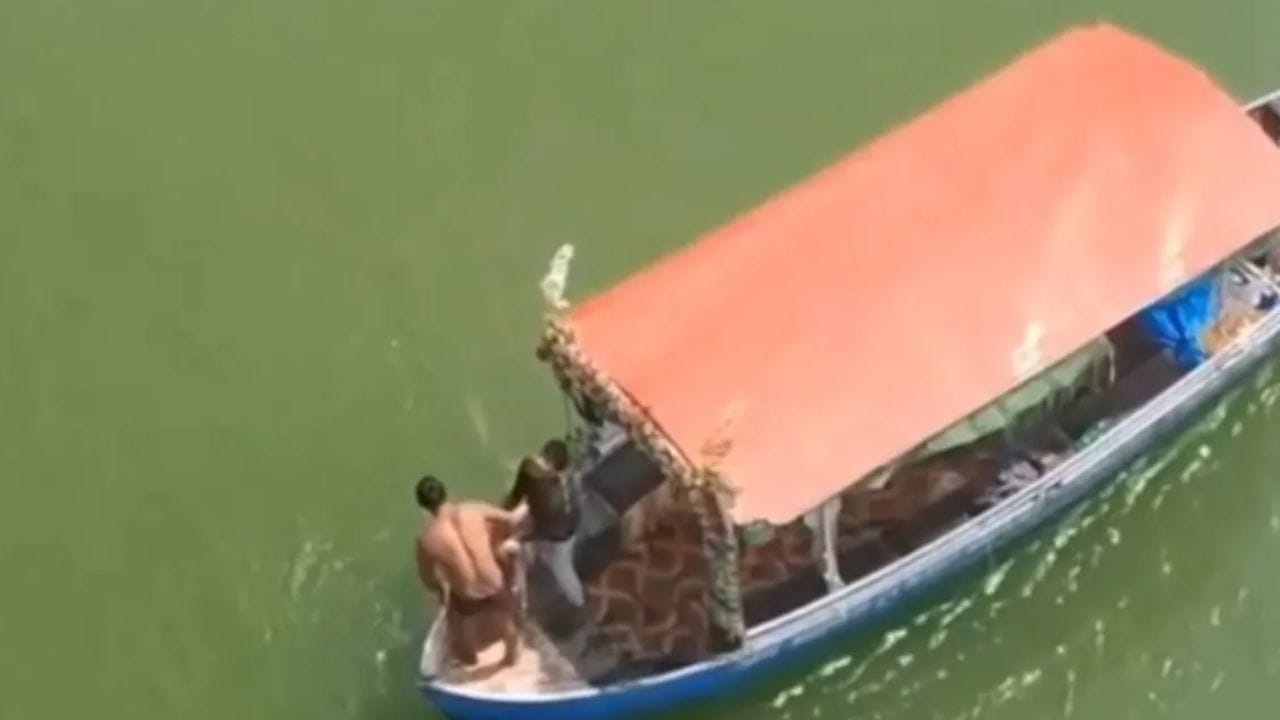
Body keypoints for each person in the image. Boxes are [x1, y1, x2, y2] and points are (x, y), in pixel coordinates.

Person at [415, 475, 524, 667]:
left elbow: (427, 579)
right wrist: (498, 543)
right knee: (507, 617)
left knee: (459, 620)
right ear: (446, 493)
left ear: (423, 507)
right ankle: (511, 656)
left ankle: (470, 658)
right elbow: (511, 520)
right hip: (494, 583)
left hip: (468, 594)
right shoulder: (474, 509)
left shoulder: (426, 539)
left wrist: (441, 590)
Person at [504, 439, 585, 606]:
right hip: (564, 524)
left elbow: (551, 530)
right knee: (547, 554)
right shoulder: (567, 478)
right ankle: (538, 565)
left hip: (560, 535)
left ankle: (579, 602)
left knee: (562, 569)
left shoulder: (533, 473)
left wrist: (523, 537)